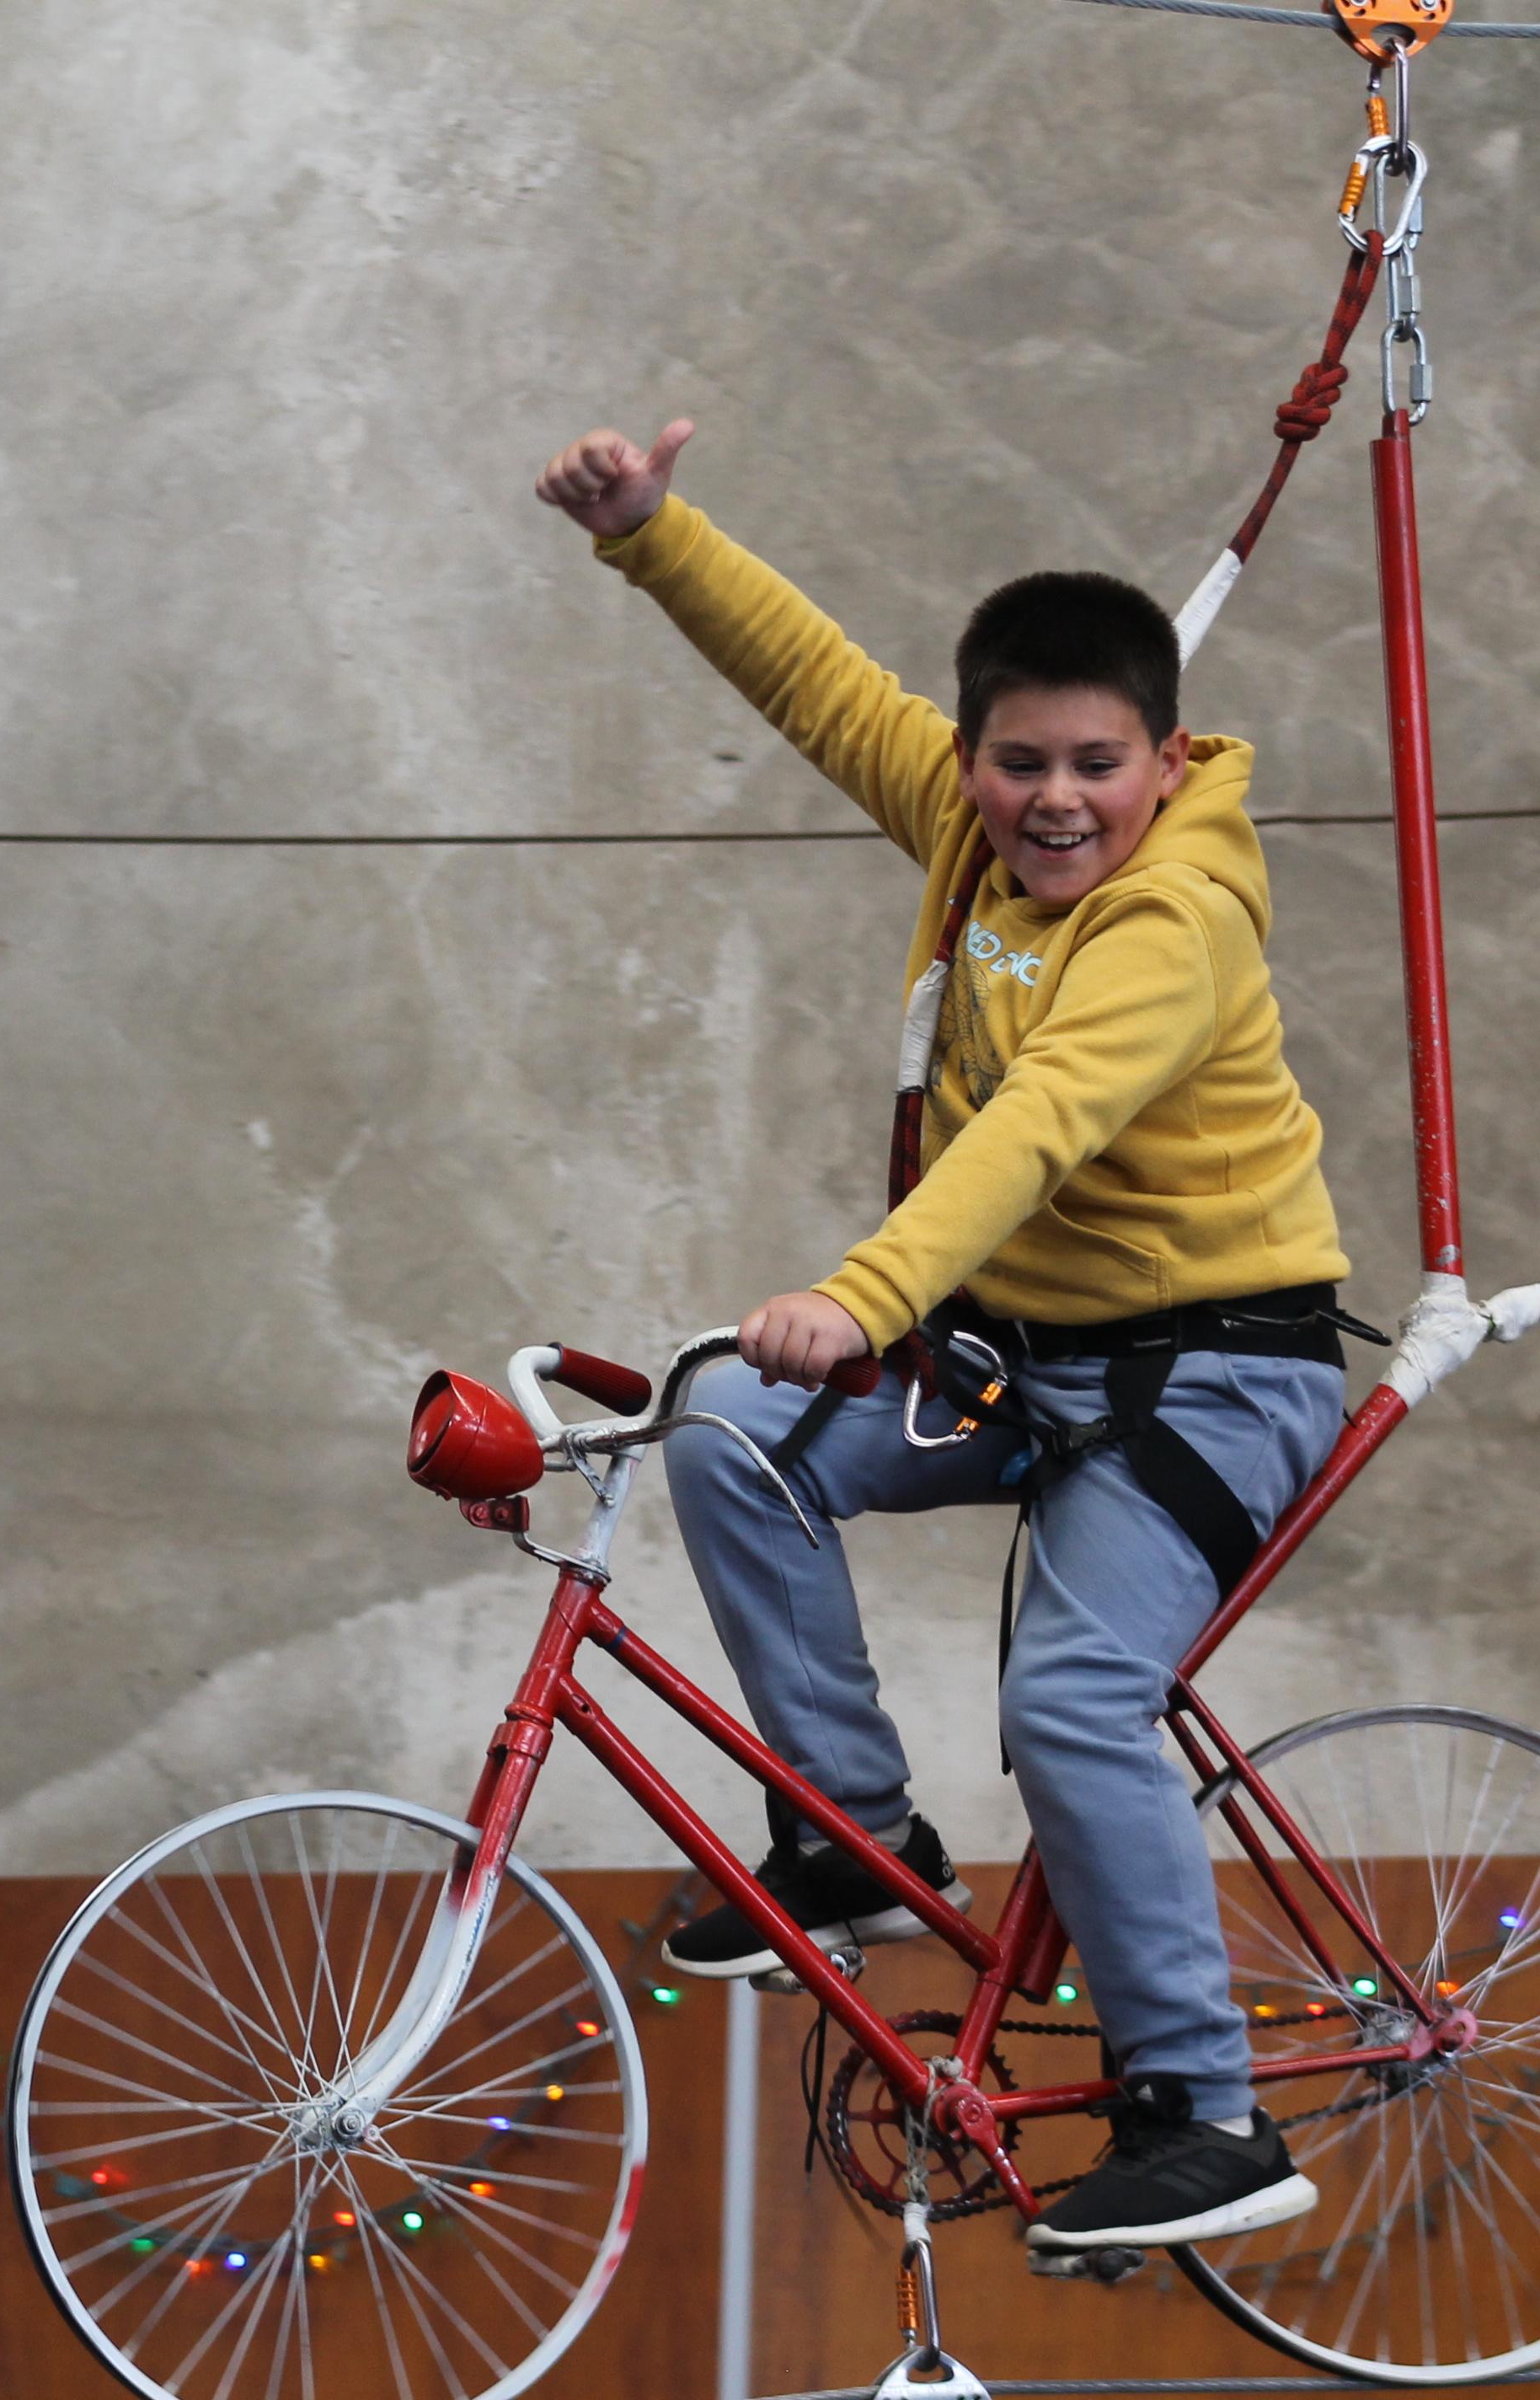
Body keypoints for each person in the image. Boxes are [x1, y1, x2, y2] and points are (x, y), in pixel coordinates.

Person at [532, 415, 1361, 2254]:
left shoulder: (1175, 921)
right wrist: (650, 533)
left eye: (1097, 765)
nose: (1055, 800)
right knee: (729, 1429)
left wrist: (864, 1295)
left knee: (1072, 1698)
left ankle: (1207, 2108)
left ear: (1167, 759)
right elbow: (820, 678)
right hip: (1024, 1360)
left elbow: (1037, 1126)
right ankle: (850, 1836)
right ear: (975, 754)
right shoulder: (970, 828)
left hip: (1217, 1376)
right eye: (1018, 763)